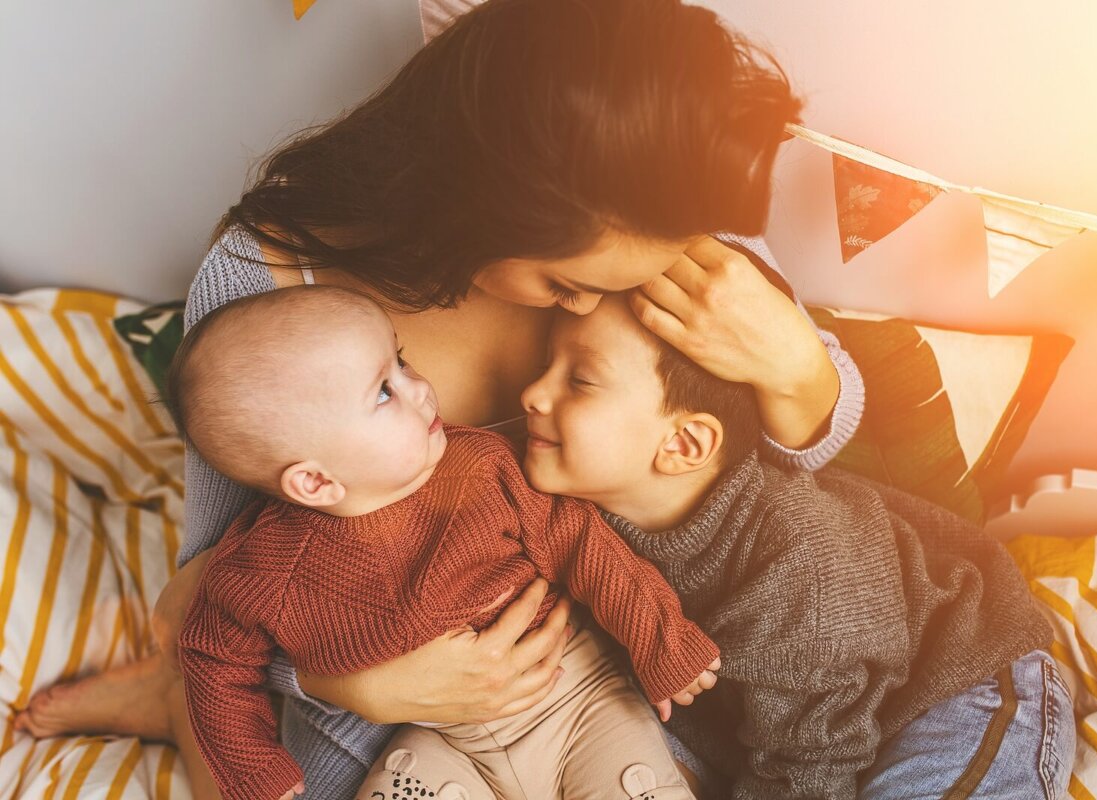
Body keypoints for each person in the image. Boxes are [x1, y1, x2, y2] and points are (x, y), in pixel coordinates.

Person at [13, 1, 865, 797]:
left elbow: (797, 465)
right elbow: (212, 587)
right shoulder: (273, 286)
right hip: (400, 701)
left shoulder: (662, 213)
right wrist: (344, 681)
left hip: (625, 660)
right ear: (480, 204)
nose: (584, 307)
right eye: (564, 282)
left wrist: (798, 369)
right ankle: (172, 703)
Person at [515, 290, 1076, 799]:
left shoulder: (796, 566)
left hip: (956, 688)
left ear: (684, 443)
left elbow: (810, 766)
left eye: (580, 381)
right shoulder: (574, 511)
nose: (531, 394)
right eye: (546, 367)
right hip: (776, 713)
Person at [168, 285, 719, 800]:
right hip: (442, 739)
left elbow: (583, 543)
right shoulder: (261, 570)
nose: (421, 388)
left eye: (401, 361)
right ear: (314, 481)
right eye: (385, 392)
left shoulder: (480, 466)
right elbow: (212, 661)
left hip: (578, 698)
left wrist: (660, 640)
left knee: (634, 785)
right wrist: (255, 769)